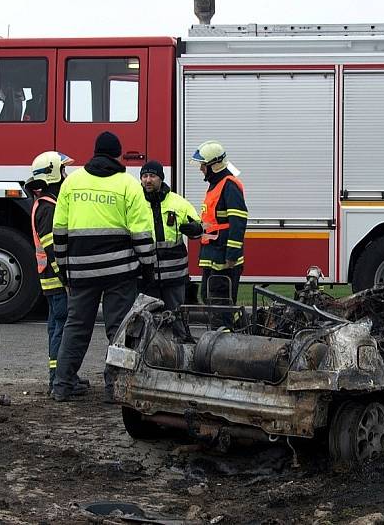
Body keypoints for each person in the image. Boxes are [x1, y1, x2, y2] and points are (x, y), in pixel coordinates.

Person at [51, 132, 155, 402]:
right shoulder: (128, 185)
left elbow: (59, 231)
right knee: (119, 331)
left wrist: (64, 268)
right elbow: (142, 233)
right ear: (118, 155)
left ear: (95, 153)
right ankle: (114, 390)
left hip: (81, 272)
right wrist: (147, 268)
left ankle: (61, 386)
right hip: (120, 273)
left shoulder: (71, 183)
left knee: (75, 327)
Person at [24, 151, 89, 395]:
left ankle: (62, 375)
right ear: (52, 174)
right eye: (62, 170)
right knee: (62, 328)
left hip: (51, 280)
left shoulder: (43, 205)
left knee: (57, 327)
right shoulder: (49, 209)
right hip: (57, 281)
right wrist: (66, 279)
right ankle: (60, 379)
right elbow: (54, 251)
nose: (66, 175)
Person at [138, 160, 202, 338]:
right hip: (146, 275)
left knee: (177, 319)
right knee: (146, 319)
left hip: (174, 277)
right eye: (144, 176)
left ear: (161, 178)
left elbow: (198, 228)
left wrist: (196, 230)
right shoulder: (134, 202)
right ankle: (150, 353)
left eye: (152, 176)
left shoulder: (178, 203)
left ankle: (182, 351)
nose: (148, 180)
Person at [191, 140, 248, 330]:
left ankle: (225, 344)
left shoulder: (228, 185)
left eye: (203, 165)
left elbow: (238, 222)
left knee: (220, 304)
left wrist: (232, 253)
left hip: (224, 258)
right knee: (210, 298)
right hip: (213, 255)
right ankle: (239, 329)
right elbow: (214, 221)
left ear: (214, 165)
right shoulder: (215, 185)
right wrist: (196, 228)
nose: (201, 169)